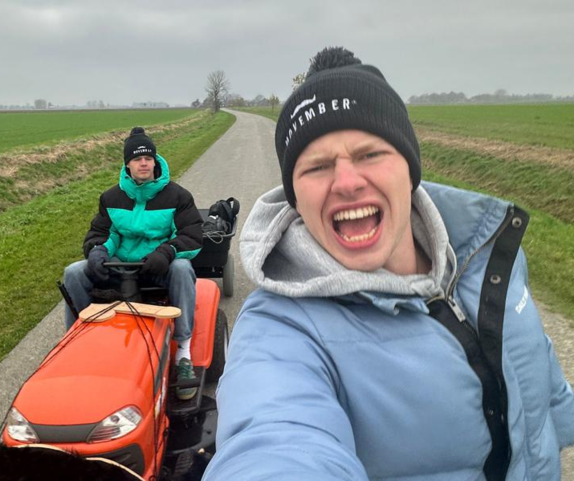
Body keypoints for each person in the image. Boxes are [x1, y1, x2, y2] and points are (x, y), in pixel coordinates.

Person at [204, 47, 574, 480]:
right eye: (318, 166)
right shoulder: (280, 330)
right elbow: (273, 442)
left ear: (409, 168)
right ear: (295, 199)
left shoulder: (489, 254)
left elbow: (539, 376)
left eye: (369, 155)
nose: (346, 182)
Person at [63, 126, 203, 400]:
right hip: (120, 269)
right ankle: (78, 342)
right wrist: (97, 251)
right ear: (127, 164)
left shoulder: (178, 196)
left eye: (148, 158)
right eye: (137, 159)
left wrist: (166, 252)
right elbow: (103, 234)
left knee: (183, 268)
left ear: (155, 161)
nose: (143, 163)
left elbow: (191, 236)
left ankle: (183, 353)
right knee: (74, 272)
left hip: (157, 269)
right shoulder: (111, 198)